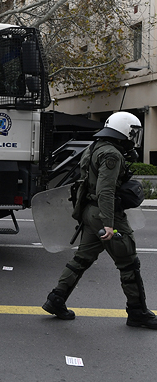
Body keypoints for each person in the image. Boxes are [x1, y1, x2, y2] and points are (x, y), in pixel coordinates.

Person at [42, 111, 157, 329]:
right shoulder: (112, 155)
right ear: (124, 130)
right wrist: (109, 224)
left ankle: (56, 299)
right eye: (133, 132)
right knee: (128, 262)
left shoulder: (95, 147)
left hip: (91, 212)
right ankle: (137, 312)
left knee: (82, 259)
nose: (134, 137)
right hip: (106, 214)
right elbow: (105, 191)